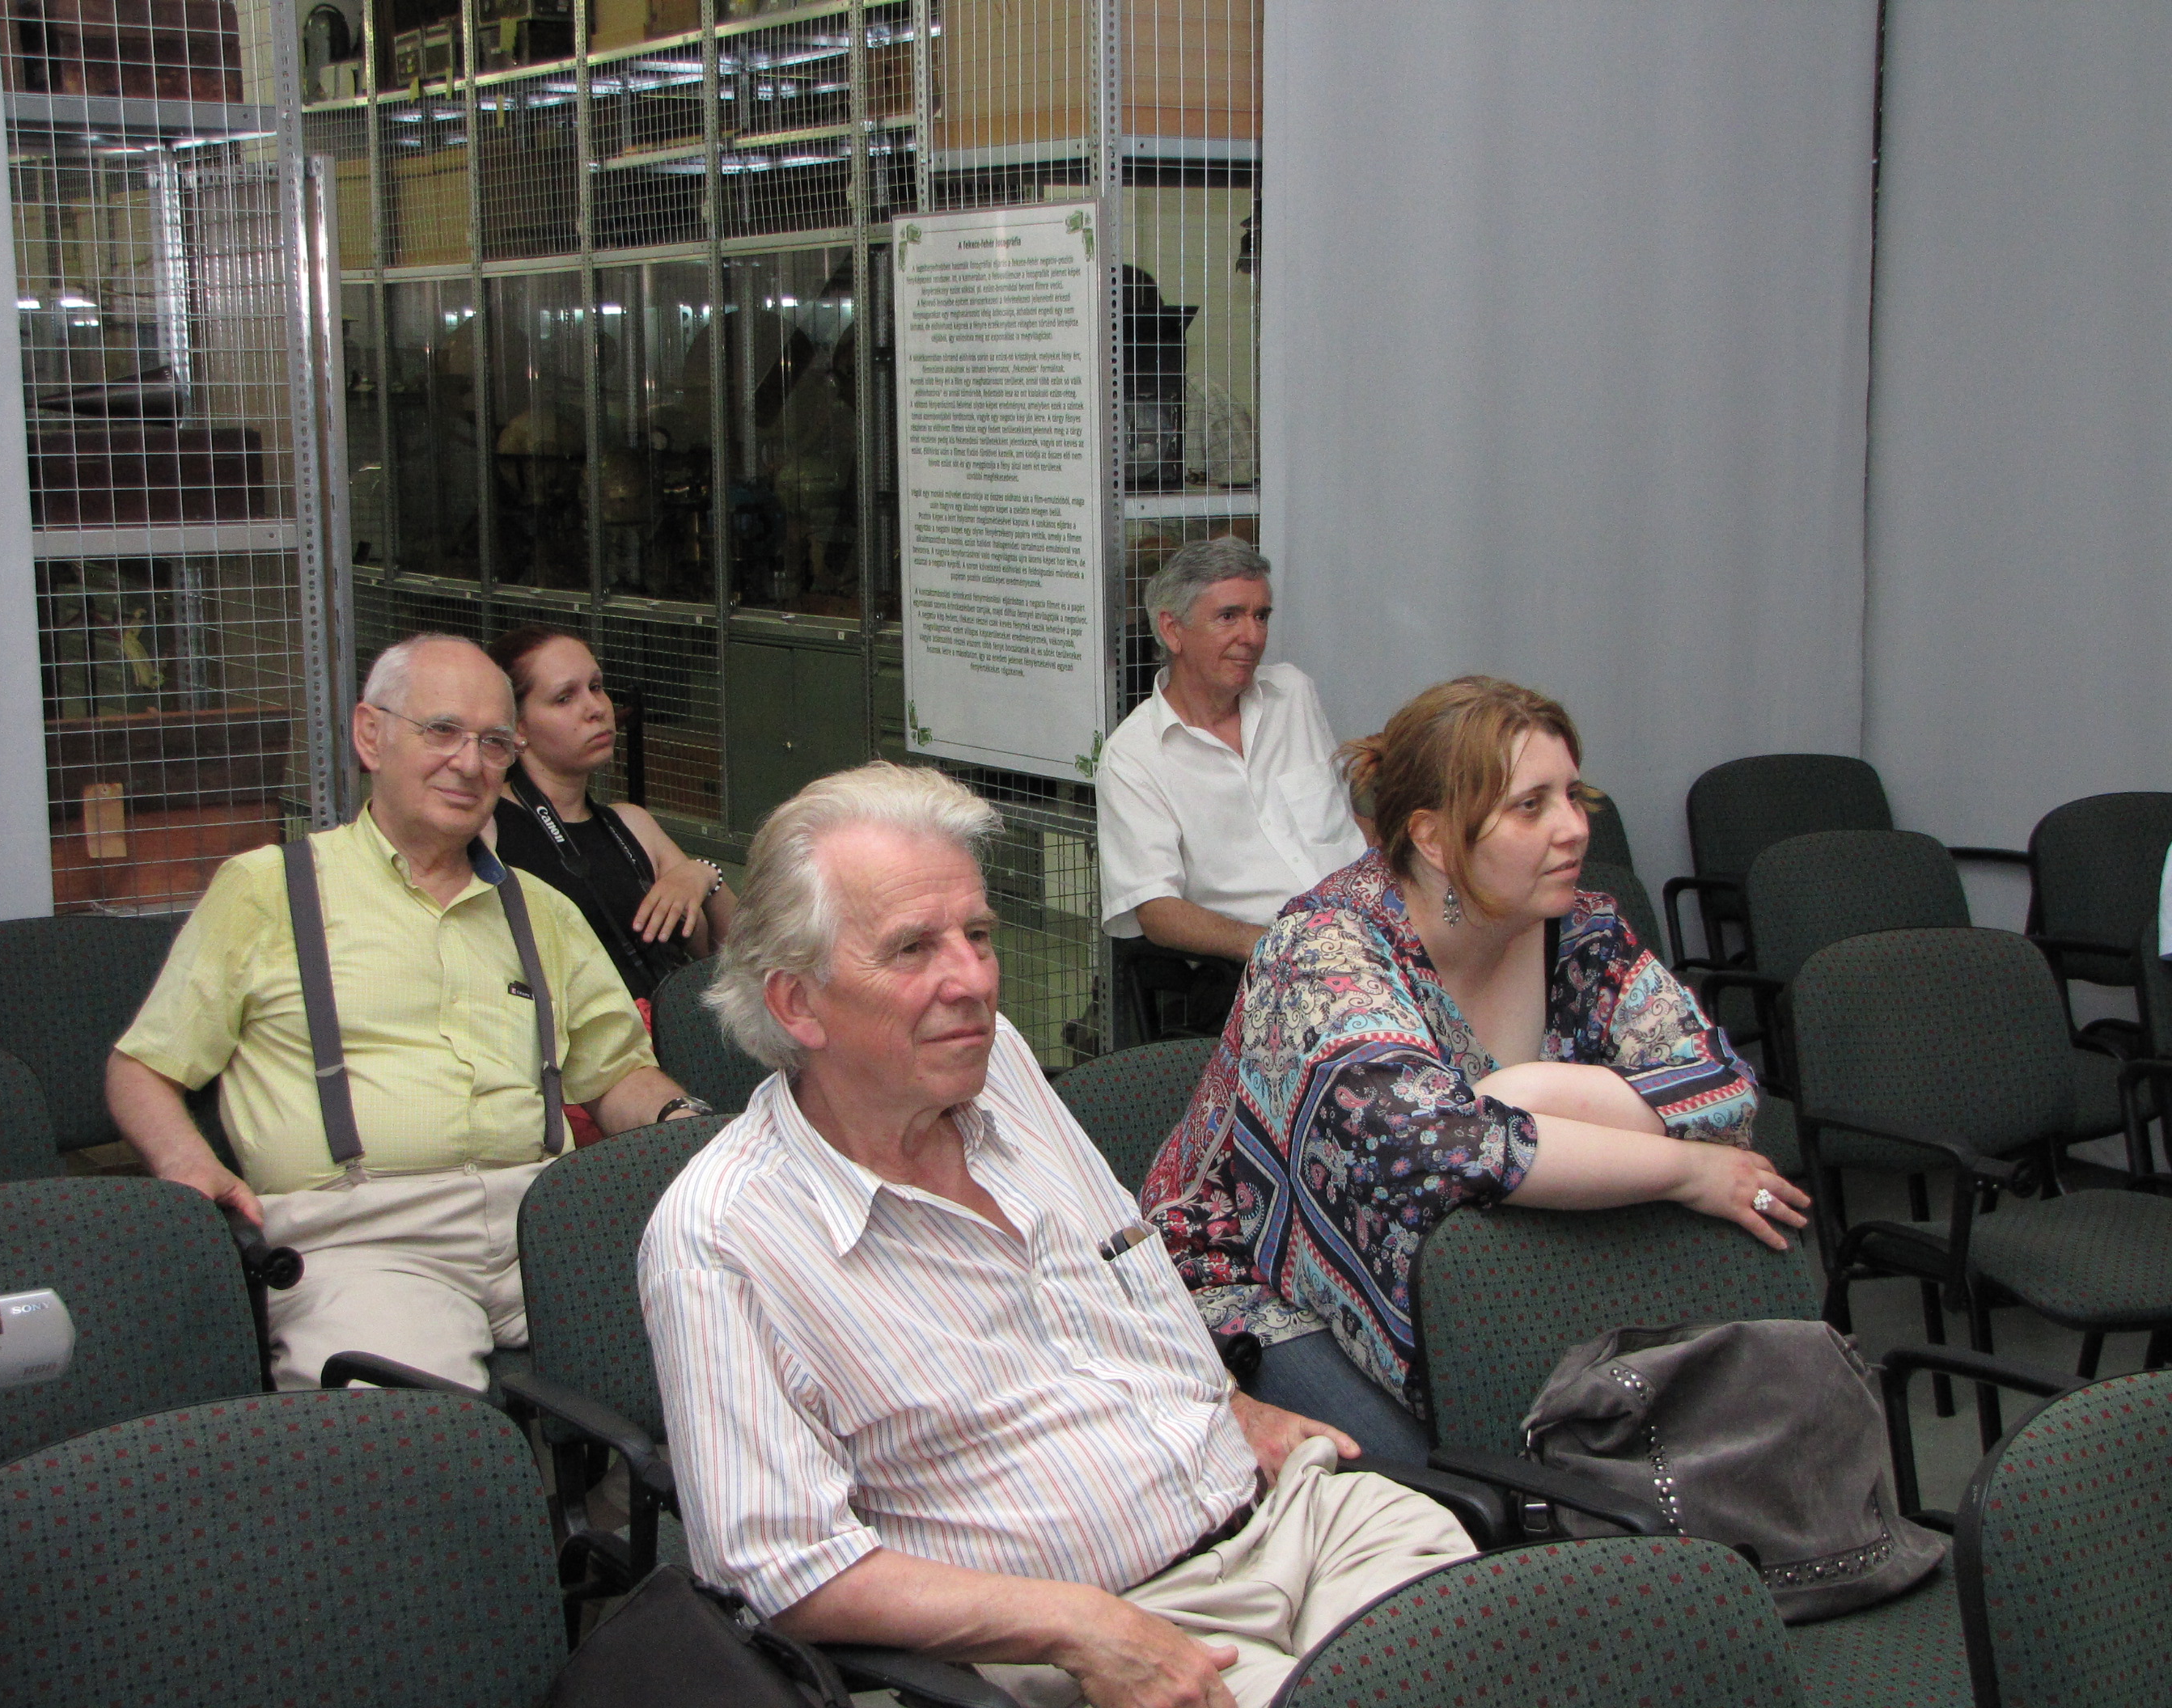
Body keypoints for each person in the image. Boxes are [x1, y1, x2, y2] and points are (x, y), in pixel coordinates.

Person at [641, 763, 1478, 1708]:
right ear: (796, 1003)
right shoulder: (723, 1237)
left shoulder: (996, 1068)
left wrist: (1230, 1405)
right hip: (1099, 1623)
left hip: (1289, 1519)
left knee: (1511, 1644)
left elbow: (1127, 1278)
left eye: (977, 935)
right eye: (913, 948)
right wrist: (1073, 1626)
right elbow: (780, 1571)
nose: (973, 980)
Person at [1139, 676, 1808, 1460]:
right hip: (1254, 1281)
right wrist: (1685, 1173)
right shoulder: (1321, 953)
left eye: (1572, 795)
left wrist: (1523, 1092)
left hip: (1490, 1260)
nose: (1573, 828)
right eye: (1530, 806)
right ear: (1432, 839)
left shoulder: (1580, 932)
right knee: (1456, 1485)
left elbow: (1722, 1089)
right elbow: (1433, 1146)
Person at [108, 633, 700, 1392]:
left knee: (729, 1341)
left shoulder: (541, 911)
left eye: (493, 743)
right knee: (410, 1436)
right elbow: (142, 1068)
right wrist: (188, 1165)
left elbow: (616, 1075)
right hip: (363, 1242)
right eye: (442, 731)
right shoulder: (268, 891)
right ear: (370, 736)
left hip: (543, 1225)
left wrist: (690, 1125)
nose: (469, 763)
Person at [1095, 538, 1366, 965]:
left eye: (1261, 616)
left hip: (1368, 929)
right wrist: (1283, 948)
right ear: (1172, 630)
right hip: (1264, 965)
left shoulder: (1293, 694)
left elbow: (1347, 821)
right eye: (1229, 617)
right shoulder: (1133, 757)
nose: (1253, 636)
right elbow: (1157, 912)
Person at [488, 624, 734, 1008]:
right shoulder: (487, 829)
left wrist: (705, 876)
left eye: (596, 687)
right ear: (518, 727)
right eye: (565, 698)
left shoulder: (632, 824)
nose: (596, 709)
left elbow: (740, 961)